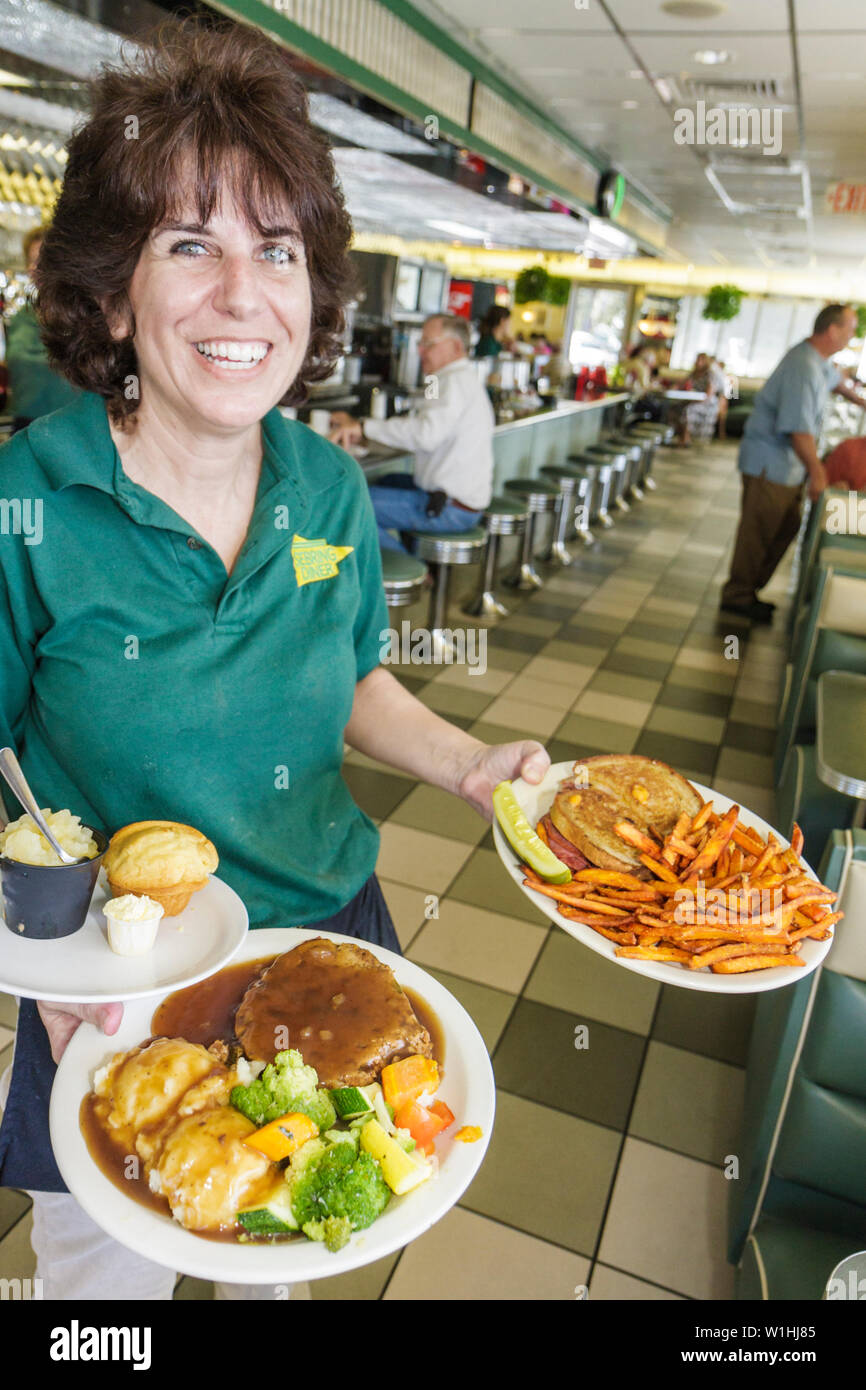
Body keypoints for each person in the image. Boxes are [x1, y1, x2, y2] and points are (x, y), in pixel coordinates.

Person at [0, 20, 550, 1301]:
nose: (242, 296)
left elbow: (350, 674)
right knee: (97, 1288)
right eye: (190, 245)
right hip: (114, 976)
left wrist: (471, 765)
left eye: (277, 249)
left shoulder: (328, 487)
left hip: (321, 939)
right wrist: (45, 969)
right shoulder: (27, 503)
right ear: (108, 291)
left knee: (276, 1258)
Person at [720, 304, 866, 621]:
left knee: (784, 527)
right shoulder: (803, 367)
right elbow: (799, 430)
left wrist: (862, 399)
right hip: (771, 465)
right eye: (851, 329)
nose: (853, 335)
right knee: (759, 531)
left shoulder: (815, 359)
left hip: (787, 466)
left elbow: (837, 381)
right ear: (833, 330)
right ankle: (738, 596)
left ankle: (748, 591)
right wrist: (818, 473)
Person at [329, 314, 494, 552]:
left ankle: (411, 569)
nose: (419, 351)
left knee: (350, 504)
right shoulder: (441, 380)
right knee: (386, 481)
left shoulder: (454, 381)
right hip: (448, 496)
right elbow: (422, 424)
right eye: (420, 343)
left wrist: (364, 427)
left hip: (449, 508)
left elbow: (426, 434)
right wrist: (365, 433)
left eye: (428, 343)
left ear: (456, 347)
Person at [3, 225, 78, 432]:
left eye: (42, 260)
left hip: (68, 425)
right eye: (31, 260)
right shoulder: (21, 317)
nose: (34, 268)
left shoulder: (79, 316)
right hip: (25, 424)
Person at [676, 352, 725, 446]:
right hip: (693, 399)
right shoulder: (694, 373)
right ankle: (680, 437)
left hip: (707, 403)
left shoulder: (711, 374)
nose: (698, 362)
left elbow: (708, 395)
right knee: (676, 407)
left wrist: (693, 399)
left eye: (701, 360)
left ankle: (686, 439)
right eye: (697, 359)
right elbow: (682, 383)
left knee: (688, 410)